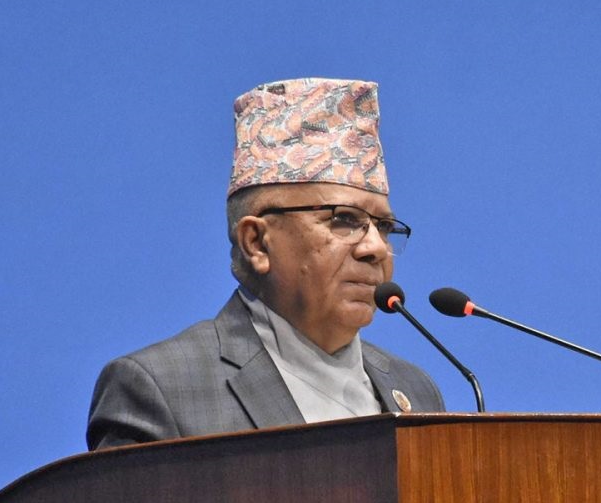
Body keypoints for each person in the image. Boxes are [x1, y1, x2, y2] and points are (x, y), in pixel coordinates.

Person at [86, 78, 444, 450]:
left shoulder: (415, 389)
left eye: (383, 226)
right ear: (256, 243)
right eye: (343, 219)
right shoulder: (161, 387)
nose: (375, 247)